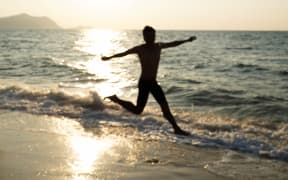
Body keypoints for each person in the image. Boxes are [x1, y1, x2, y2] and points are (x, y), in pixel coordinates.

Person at [102, 26, 196, 135]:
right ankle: (116, 99)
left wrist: (187, 40)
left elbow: (173, 43)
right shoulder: (140, 49)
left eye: (153, 35)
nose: (152, 38)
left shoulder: (158, 46)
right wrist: (109, 57)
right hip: (144, 83)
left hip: (153, 83)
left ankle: (176, 129)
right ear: (144, 37)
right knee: (138, 110)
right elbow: (124, 53)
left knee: (165, 109)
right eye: (149, 36)